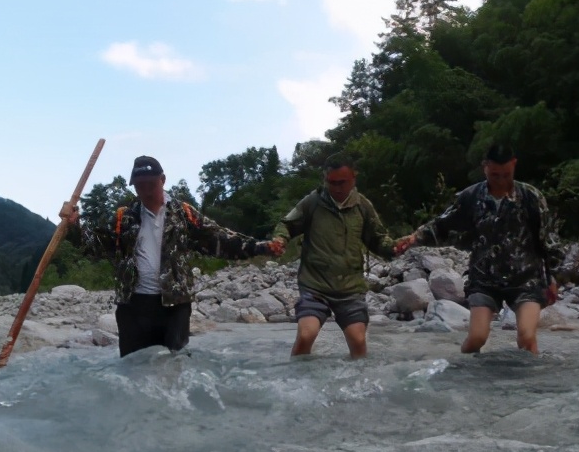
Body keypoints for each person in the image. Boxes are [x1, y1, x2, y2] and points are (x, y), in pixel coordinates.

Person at [60, 155, 284, 357]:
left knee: (174, 366)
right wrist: (74, 226)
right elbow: (97, 246)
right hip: (133, 307)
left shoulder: (183, 214)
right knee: (133, 369)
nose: (146, 191)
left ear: (163, 180)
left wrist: (260, 247)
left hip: (175, 306)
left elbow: (220, 239)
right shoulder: (124, 217)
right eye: (140, 186)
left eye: (151, 184)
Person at [394, 144, 565, 355]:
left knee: (527, 337)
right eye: (495, 174)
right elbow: (442, 224)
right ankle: (459, 376)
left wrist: (553, 279)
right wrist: (414, 238)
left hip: (526, 280)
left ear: (514, 165)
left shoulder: (531, 197)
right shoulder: (471, 196)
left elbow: (549, 240)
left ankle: (528, 385)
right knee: (476, 338)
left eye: (506, 174)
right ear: (485, 167)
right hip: (484, 280)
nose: (501, 180)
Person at [269, 153, 397, 359]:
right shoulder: (312, 202)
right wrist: (280, 240)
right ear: (325, 179)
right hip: (315, 285)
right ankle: (296, 382)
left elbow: (378, 239)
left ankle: (359, 385)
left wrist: (395, 248)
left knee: (358, 340)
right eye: (331, 182)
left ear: (354, 179)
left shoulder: (363, 206)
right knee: (305, 335)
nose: (337, 188)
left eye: (342, 183)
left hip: (350, 287)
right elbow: (286, 225)